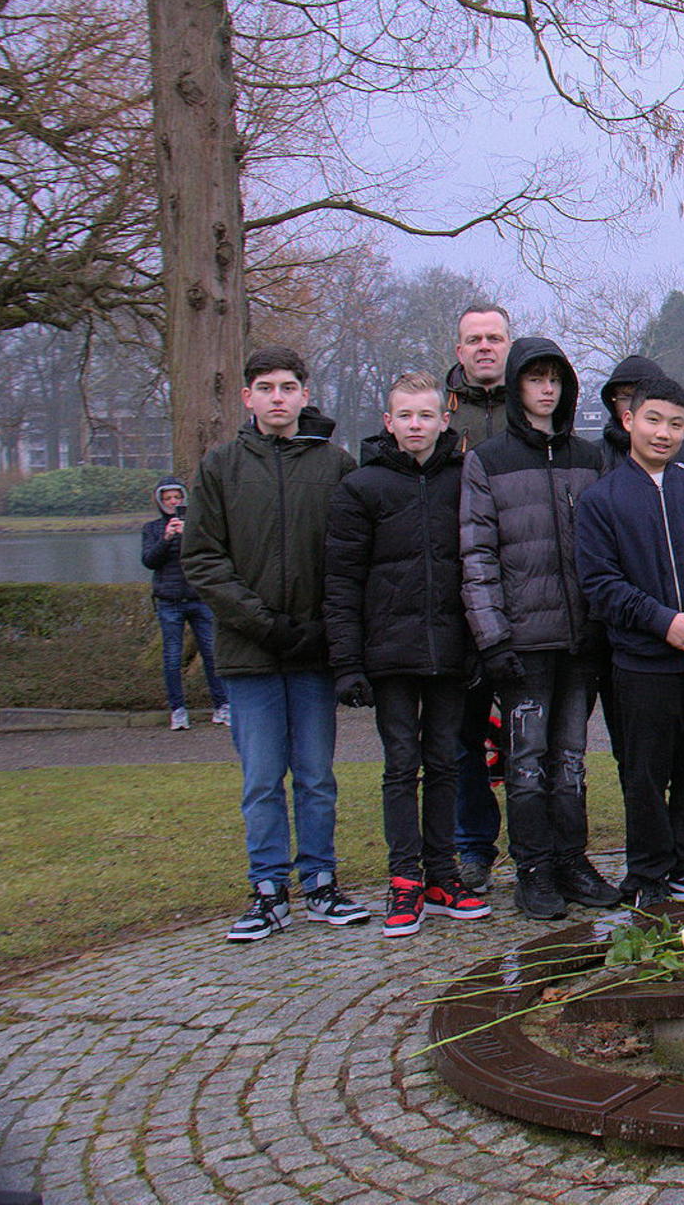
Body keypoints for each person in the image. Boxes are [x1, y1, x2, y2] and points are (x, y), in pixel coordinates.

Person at [183, 346, 370, 941]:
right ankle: (267, 888)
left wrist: (324, 626)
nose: (278, 397)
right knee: (262, 778)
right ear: (248, 397)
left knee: (316, 774)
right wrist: (262, 622)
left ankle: (319, 880)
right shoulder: (221, 466)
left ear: (304, 394)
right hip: (251, 654)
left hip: (314, 651)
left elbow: (351, 555)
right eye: (266, 387)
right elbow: (203, 559)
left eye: (288, 386)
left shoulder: (334, 465)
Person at [324, 371, 491, 938]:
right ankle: (404, 878)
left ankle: (443, 872)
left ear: (445, 419)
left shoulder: (465, 479)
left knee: (447, 760)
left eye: (426, 415)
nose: (416, 426)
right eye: (406, 416)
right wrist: (347, 662)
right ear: (388, 421)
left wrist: (479, 645)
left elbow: (479, 563)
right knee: (401, 766)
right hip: (389, 652)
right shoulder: (361, 487)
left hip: (449, 649)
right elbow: (342, 581)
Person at [460, 336, 620, 920]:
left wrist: (605, 619)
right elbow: (476, 556)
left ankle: (572, 860)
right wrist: (492, 637)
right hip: (522, 642)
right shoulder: (490, 460)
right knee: (525, 763)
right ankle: (533, 869)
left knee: (571, 759)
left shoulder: (588, 456)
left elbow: (606, 546)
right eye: (535, 378)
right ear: (516, 387)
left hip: (581, 639)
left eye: (555, 378)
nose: (546, 388)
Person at [576, 375, 684, 909]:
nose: (664, 433)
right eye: (653, 420)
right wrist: (662, 621)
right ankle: (648, 869)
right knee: (646, 773)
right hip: (643, 662)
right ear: (628, 420)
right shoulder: (601, 499)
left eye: (676, 424)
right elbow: (601, 584)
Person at [445, 303, 513, 896]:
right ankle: (473, 848)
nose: (485, 347)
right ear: (459, 350)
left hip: (528, 602)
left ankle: (543, 847)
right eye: (474, 339)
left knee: (537, 734)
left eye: (494, 337)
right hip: (457, 604)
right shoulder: (439, 418)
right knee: (464, 736)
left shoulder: (534, 410)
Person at [141, 476, 229, 731]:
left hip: (199, 599)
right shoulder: (152, 529)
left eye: (176, 498)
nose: (172, 502)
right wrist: (166, 538)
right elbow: (149, 561)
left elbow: (209, 555)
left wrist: (188, 532)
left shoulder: (198, 525)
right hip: (169, 602)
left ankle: (222, 706)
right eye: (167, 499)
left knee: (212, 654)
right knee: (171, 658)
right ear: (159, 501)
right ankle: (178, 710)